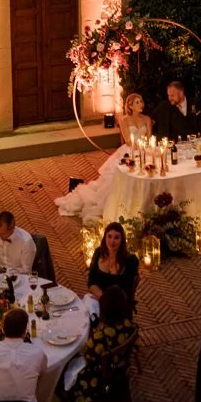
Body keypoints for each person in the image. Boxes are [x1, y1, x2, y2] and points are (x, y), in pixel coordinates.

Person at [54, 93, 153, 221]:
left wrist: (146, 148)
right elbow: (128, 140)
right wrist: (138, 147)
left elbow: (150, 138)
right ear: (130, 105)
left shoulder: (147, 119)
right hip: (130, 151)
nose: (141, 105)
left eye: (141, 102)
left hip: (145, 150)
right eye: (138, 102)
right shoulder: (124, 120)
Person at [63, 285, 136, 402]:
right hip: (118, 370)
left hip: (99, 378)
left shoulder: (100, 336)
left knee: (65, 370)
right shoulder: (129, 325)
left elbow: (88, 356)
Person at [87, 222, 139, 303]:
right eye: (109, 236)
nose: (112, 241)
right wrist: (103, 299)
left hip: (118, 304)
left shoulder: (130, 261)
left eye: (116, 238)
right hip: (99, 298)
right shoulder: (98, 253)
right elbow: (91, 282)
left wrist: (108, 303)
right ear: (105, 237)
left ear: (122, 240)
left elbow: (127, 291)